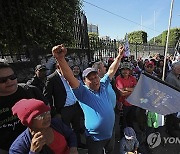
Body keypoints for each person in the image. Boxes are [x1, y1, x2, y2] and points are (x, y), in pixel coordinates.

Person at [51, 44, 124, 154]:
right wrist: (60, 58)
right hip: (95, 139)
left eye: (96, 77)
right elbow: (70, 77)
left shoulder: (103, 84)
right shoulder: (82, 92)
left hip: (110, 134)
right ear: (84, 81)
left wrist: (119, 56)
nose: (95, 80)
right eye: (90, 78)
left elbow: (111, 70)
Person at [0, 62, 47, 153]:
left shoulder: (30, 91)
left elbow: (50, 112)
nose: (9, 81)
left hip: (41, 143)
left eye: (12, 77)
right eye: (2, 80)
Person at [9, 98, 78, 154]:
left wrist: (73, 148)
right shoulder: (18, 147)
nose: (47, 117)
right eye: (40, 116)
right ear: (28, 122)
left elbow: (71, 135)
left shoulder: (56, 124)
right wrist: (33, 152)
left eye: (47, 112)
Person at [44, 63, 85, 148]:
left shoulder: (69, 75)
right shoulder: (51, 78)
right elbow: (47, 97)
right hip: (63, 109)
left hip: (74, 106)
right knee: (65, 130)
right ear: (58, 67)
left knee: (76, 127)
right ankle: (67, 147)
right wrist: (54, 112)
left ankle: (78, 143)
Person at [115, 62, 137, 128]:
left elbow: (137, 88)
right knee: (123, 124)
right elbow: (122, 93)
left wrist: (126, 88)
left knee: (131, 122)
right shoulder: (118, 79)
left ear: (130, 70)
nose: (125, 71)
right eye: (123, 69)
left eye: (127, 69)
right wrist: (133, 90)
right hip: (123, 105)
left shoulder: (133, 78)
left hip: (132, 103)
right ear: (120, 71)